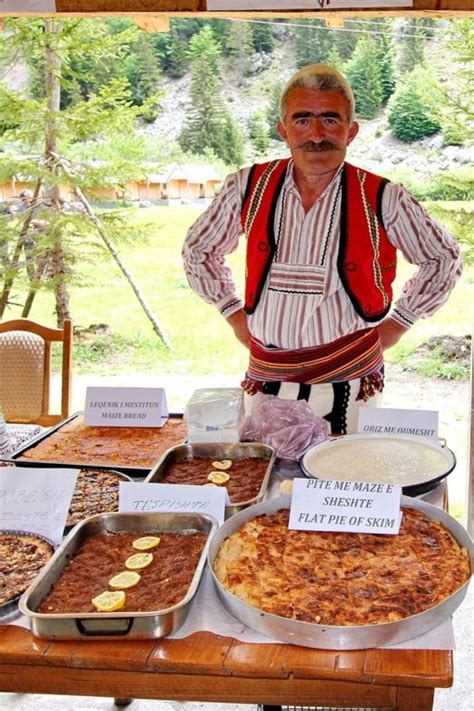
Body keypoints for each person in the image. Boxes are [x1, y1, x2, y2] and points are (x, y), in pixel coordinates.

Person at [182, 64, 462, 435]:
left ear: (352, 130)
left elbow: (443, 259)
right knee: (270, 479)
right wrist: (232, 312)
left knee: (344, 480)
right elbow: (198, 250)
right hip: (268, 374)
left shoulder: (383, 196)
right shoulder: (246, 186)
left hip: (351, 376)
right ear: (283, 130)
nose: (316, 135)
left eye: (330, 120)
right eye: (302, 120)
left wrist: (399, 323)